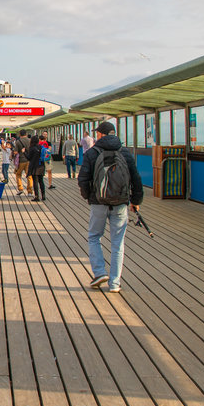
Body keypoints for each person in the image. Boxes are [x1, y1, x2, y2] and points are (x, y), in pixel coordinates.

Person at [77, 121, 144, 293]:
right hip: (121, 203)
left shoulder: (92, 153)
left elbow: (83, 179)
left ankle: (99, 272)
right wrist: (136, 201)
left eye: (98, 133)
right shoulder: (125, 152)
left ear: (101, 134)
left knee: (94, 237)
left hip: (99, 203)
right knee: (118, 243)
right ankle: (115, 283)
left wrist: (89, 197)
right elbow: (135, 178)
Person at [26, 135, 46, 202]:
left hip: (34, 167)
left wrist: (24, 152)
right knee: (41, 181)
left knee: (35, 182)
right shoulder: (41, 147)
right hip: (41, 166)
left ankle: (37, 196)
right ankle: (43, 196)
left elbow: (29, 158)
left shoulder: (31, 148)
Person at [12, 130, 31, 195]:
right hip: (28, 160)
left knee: (18, 174)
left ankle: (20, 189)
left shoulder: (18, 142)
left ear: (20, 134)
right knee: (29, 175)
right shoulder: (30, 141)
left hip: (21, 160)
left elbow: (15, 152)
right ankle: (30, 191)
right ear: (26, 134)